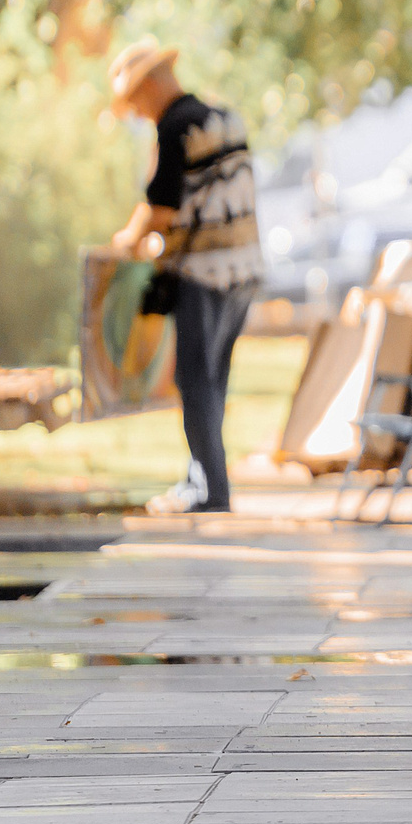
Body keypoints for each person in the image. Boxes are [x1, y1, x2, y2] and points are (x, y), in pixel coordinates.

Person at [107, 40, 264, 516]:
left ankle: (210, 491)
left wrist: (125, 241)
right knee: (214, 380)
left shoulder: (176, 127)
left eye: (135, 100)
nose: (136, 113)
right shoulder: (225, 119)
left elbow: (159, 211)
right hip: (246, 268)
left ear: (152, 84)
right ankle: (203, 476)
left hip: (205, 273)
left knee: (193, 380)